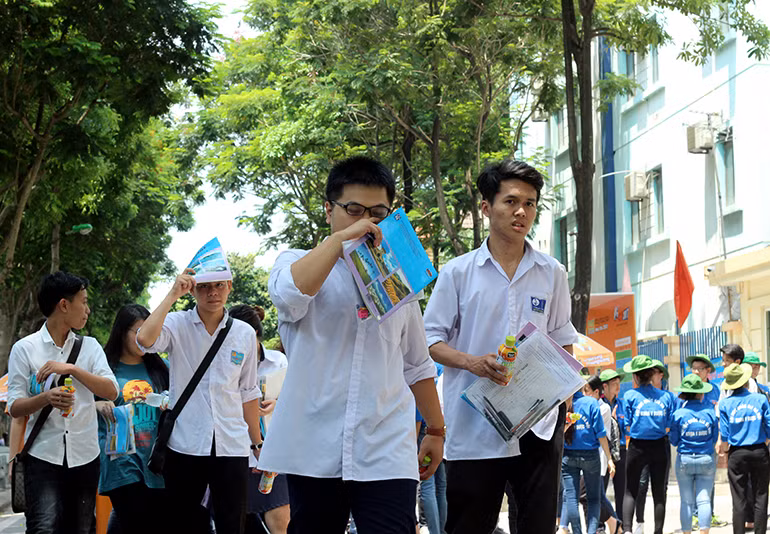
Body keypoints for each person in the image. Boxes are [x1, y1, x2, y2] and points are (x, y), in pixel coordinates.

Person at [258, 156, 444, 534]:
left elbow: (417, 363)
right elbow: (289, 295)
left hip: (386, 447)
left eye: (378, 213)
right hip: (315, 446)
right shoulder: (295, 262)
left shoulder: (401, 280)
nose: (367, 222)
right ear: (329, 210)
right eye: (354, 210)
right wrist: (340, 242)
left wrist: (436, 431)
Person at [423, 160, 578, 534]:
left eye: (530, 203)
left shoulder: (552, 272)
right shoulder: (458, 273)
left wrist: (565, 401)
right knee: (469, 526)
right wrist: (472, 362)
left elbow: (563, 338)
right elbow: (429, 341)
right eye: (510, 201)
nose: (521, 211)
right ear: (486, 207)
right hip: (475, 426)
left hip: (539, 426)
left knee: (538, 526)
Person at [136, 267, 262, 534]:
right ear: (192, 290)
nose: (212, 292)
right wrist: (172, 294)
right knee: (185, 524)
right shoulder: (176, 323)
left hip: (232, 445)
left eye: (219, 285)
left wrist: (257, 442)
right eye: (204, 286)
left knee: (233, 525)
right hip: (185, 443)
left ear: (229, 286)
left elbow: (248, 392)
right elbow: (144, 340)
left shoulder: (244, 333)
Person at [7, 271, 119, 534]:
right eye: (84, 302)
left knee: (81, 529)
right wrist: (46, 398)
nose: (88, 310)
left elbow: (112, 391)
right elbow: (14, 406)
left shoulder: (90, 347)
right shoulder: (25, 349)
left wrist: (72, 369)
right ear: (64, 305)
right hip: (42, 456)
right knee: (43, 528)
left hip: (85, 456)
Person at [95, 304, 170, 533]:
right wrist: (96, 405)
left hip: (157, 464)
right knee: (135, 521)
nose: (144, 338)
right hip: (121, 462)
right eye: (138, 331)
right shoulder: (104, 370)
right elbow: (78, 404)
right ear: (121, 332)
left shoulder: (164, 369)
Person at [228, 304, 290, 534]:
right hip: (237, 455)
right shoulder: (227, 364)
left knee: (281, 523)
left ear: (254, 333)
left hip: (273, 454)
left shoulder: (278, 361)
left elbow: (297, 399)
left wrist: (278, 404)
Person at [622, 355, 674, 534]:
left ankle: (628, 530)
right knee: (659, 493)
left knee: (630, 490)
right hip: (659, 445)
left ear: (635, 376)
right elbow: (668, 425)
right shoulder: (666, 397)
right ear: (652, 375)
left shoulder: (629, 396)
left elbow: (627, 425)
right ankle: (658, 531)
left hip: (637, 446)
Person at [718, 363, 770, 534]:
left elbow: (724, 434)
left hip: (737, 452)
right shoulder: (760, 399)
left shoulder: (725, 404)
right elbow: (769, 425)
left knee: (738, 499)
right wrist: (765, 442)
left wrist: (725, 451)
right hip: (759, 450)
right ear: (747, 381)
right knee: (761, 496)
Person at [560, 374, 616, 534]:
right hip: (590, 455)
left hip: (568, 455)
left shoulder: (563, 404)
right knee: (594, 499)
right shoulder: (591, 403)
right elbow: (601, 434)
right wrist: (609, 458)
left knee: (571, 498)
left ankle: (577, 532)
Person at [670, 373, 718, 534]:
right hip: (706, 458)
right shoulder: (710, 412)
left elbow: (674, 440)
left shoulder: (678, 414)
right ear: (701, 393)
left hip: (685, 459)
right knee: (704, 500)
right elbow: (714, 438)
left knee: (686, 501)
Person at [685, 353, 727, 529]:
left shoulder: (716, 391)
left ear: (708, 370)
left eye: (699, 369)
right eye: (693, 368)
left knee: (709, 480)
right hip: (691, 443)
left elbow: (720, 417)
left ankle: (707, 514)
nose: (695, 372)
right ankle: (695, 515)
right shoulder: (686, 390)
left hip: (710, 442)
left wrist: (720, 440)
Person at [600, 368, 627, 520]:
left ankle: (620, 522)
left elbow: (626, 429)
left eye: (618, 383)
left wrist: (615, 423)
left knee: (621, 489)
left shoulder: (621, 404)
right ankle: (600, 525)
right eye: (614, 383)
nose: (618, 386)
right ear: (604, 386)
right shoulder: (598, 405)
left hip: (620, 450)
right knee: (600, 489)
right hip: (603, 451)